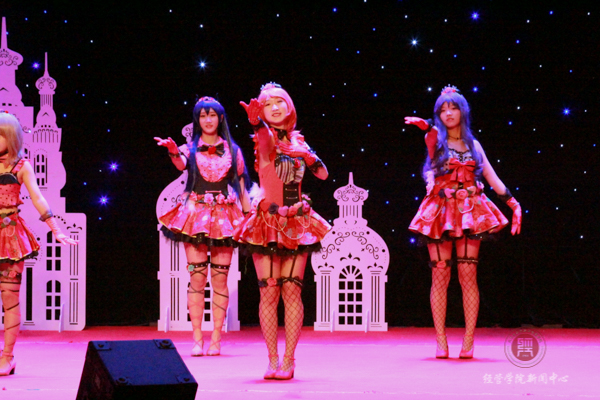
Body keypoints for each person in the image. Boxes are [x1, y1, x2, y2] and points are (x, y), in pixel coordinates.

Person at [405, 86, 522, 359]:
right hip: (440, 212)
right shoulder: (436, 141)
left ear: (462, 111)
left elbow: (492, 178)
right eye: (443, 109)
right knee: (440, 275)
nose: (448, 113)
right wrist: (427, 126)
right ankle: (441, 340)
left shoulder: (474, 145)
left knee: (468, 276)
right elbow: (430, 137)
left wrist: (514, 205)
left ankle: (468, 340)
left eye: (453, 107)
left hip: (470, 211)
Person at [235, 83, 331, 379]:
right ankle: (272, 359)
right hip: (267, 221)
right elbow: (265, 139)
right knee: (269, 292)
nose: (275, 107)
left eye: (279, 101)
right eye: (268, 104)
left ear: (289, 106)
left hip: (297, 221)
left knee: (292, 290)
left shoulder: (299, 142)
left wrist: (307, 154)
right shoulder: (264, 138)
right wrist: (256, 122)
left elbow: (323, 174)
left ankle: (289, 360)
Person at [155, 97, 250, 357]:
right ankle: (197, 338)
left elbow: (242, 185)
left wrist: (248, 216)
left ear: (221, 118)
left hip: (225, 216)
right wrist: (173, 151)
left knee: (220, 279)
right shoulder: (189, 148)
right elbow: (180, 163)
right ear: (198, 120)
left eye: (212, 115)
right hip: (195, 215)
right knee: (196, 277)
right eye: (203, 115)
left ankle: (216, 338)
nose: (208, 120)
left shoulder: (233, 150)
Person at [0, 111, 78, 376]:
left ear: (10, 137)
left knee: (9, 298)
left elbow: (38, 198)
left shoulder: (22, 166)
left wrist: (56, 229)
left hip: (10, 237)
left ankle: (7, 357)